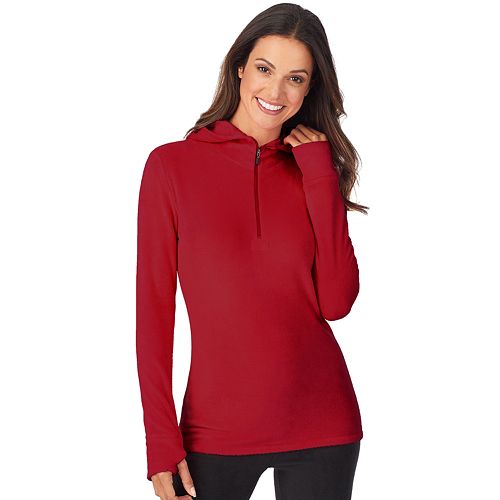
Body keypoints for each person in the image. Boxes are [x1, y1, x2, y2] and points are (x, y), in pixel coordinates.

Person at [136, 3, 369, 499]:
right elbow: (153, 314)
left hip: (323, 425)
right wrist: (160, 440)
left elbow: (336, 303)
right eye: (265, 69)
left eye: (295, 79)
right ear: (240, 67)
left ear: (310, 88)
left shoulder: (312, 170)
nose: (276, 92)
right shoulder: (171, 167)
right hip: (213, 432)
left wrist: (321, 176)